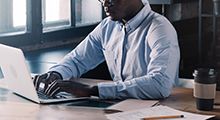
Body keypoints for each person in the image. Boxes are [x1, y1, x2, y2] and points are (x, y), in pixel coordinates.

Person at [33, 0, 180, 100]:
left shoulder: (159, 28)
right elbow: (77, 60)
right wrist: (56, 74)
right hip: (120, 108)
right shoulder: (107, 27)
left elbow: (160, 84)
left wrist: (93, 90)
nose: (105, 3)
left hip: (156, 111)